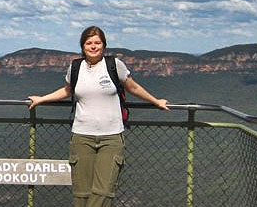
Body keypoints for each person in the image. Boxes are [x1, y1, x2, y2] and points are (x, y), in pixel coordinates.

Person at [28, 26, 169, 207]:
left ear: (104, 45)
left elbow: (133, 87)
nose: (93, 46)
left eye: (97, 43)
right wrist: (41, 99)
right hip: (81, 136)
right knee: (81, 193)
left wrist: (156, 101)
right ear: (82, 46)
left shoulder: (114, 65)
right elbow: (67, 90)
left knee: (103, 193)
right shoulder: (76, 67)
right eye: (89, 43)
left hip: (111, 137)